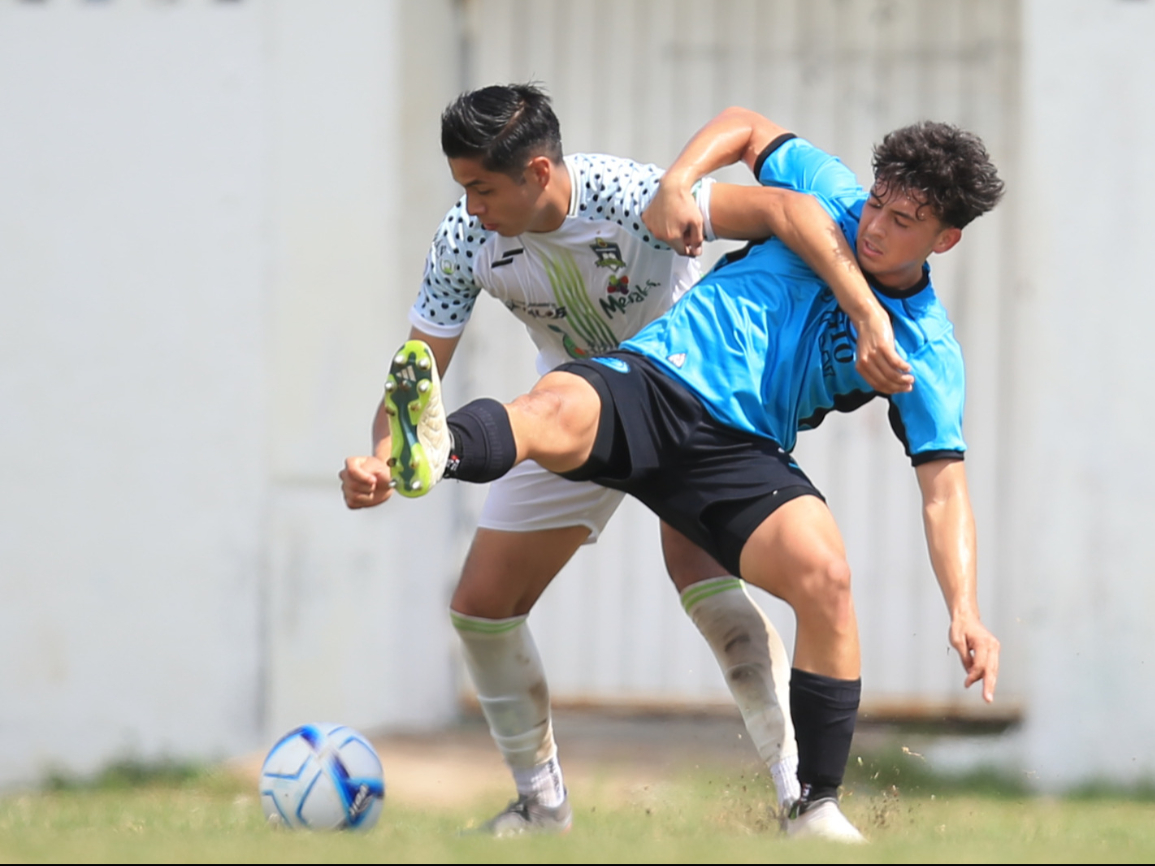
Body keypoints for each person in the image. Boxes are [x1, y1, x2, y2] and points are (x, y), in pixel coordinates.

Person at [379, 105, 1004, 842]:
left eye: (904, 221)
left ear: (946, 238)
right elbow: (744, 125)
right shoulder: (828, 194)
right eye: (876, 203)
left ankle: (814, 806)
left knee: (825, 577)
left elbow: (943, 487)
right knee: (552, 406)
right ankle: (439, 450)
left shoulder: (925, 351)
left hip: (740, 450)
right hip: (658, 377)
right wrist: (680, 179)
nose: (873, 226)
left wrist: (963, 609)